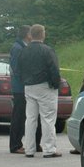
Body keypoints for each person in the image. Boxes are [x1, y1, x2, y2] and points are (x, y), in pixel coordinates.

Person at [18, 24, 62, 158]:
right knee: (48, 118)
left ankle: (29, 149)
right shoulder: (47, 50)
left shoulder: (24, 50)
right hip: (44, 87)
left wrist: (25, 81)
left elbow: (18, 69)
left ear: (31, 35)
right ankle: (49, 149)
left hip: (29, 86)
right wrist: (55, 84)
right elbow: (54, 69)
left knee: (30, 119)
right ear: (43, 34)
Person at [8, 26, 41, 154]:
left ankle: (34, 143)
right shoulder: (17, 48)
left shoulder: (23, 47)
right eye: (30, 32)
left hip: (25, 87)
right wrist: (28, 80)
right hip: (20, 88)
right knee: (19, 116)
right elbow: (17, 69)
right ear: (27, 34)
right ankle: (15, 145)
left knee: (30, 116)